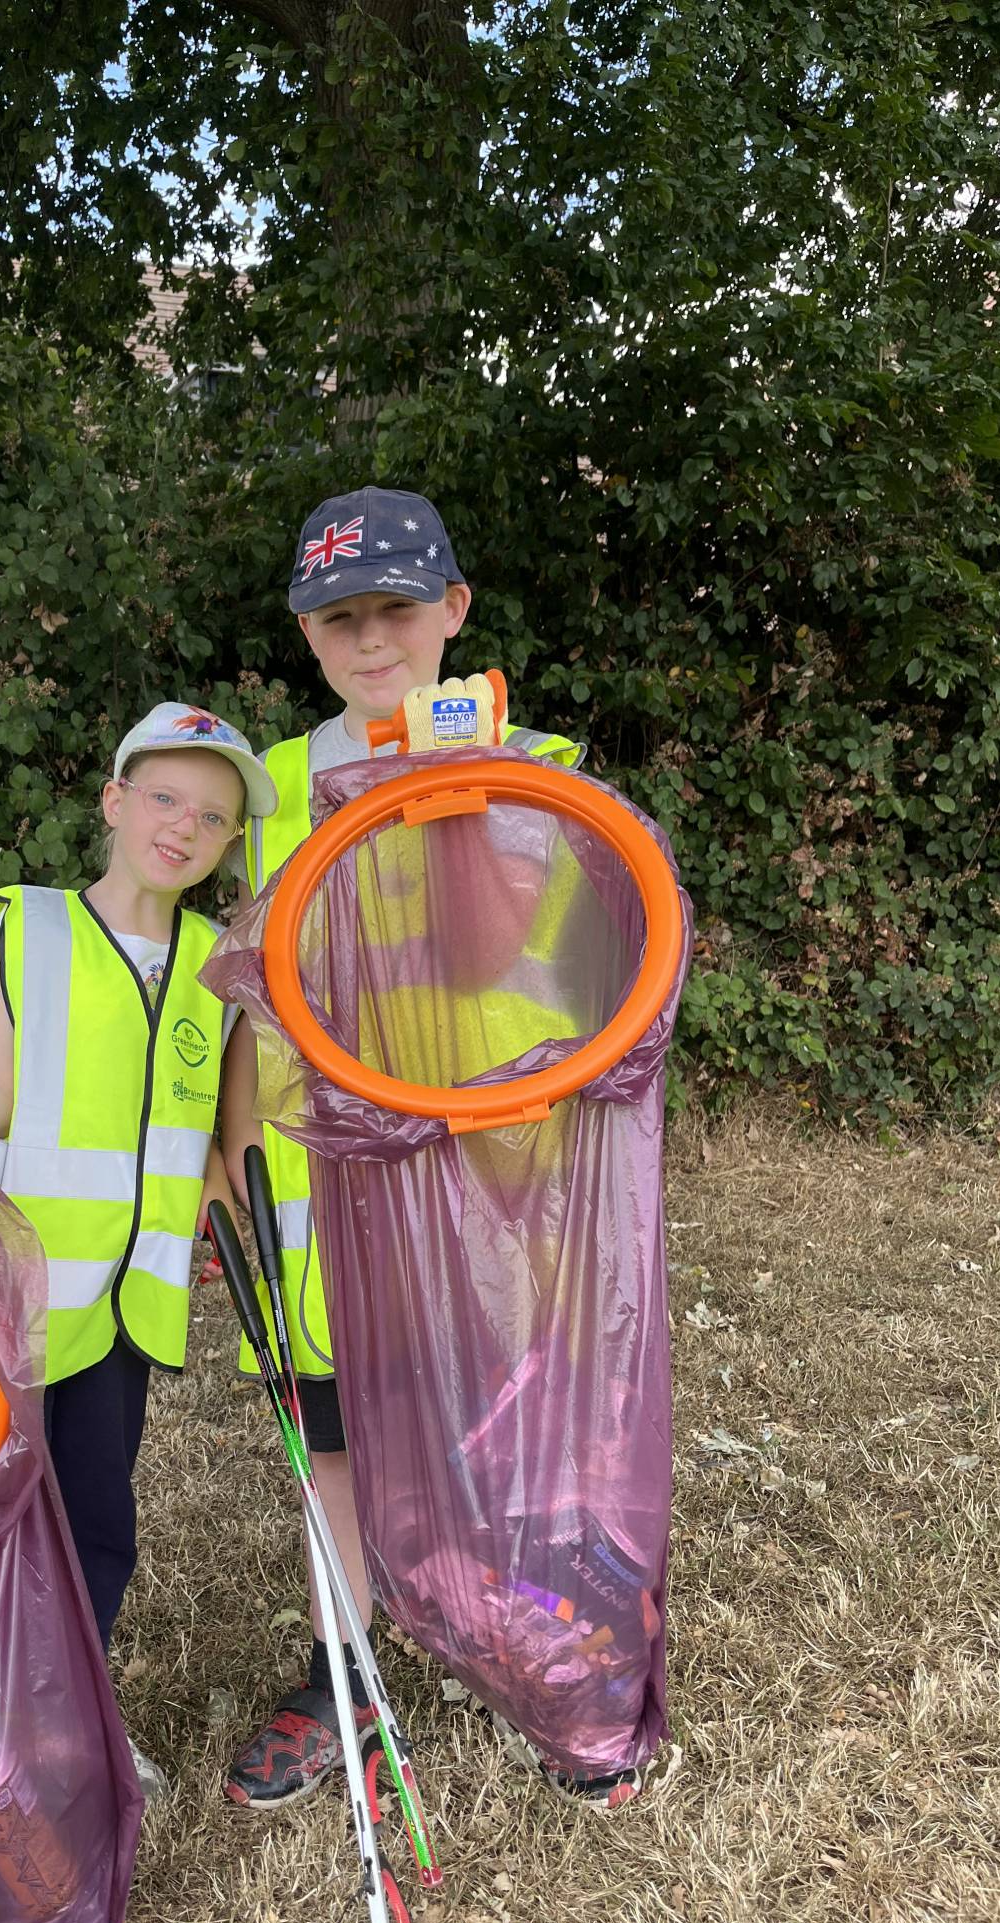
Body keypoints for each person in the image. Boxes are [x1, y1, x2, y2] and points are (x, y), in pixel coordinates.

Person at [219, 486, 621, 1808]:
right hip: (324, 1179)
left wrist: (457, 803)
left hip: (497, 1176)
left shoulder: (542, 765)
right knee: (329, 1436)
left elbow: (574, 977)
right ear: (306, 631)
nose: (370, 636)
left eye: (397, 607)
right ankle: (345, 1664)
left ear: (452, 610)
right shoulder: (268, 785)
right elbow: (234, 979)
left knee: (507, 1428)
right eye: (341, 616)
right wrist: (229, 1134)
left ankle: (536, 1662)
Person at [0, 703, 276, 1797]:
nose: (183, 827)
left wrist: (231, 1214)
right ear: (113, 802)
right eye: (164, 798)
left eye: (214, 816)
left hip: (128, 1304)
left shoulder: (216, 965)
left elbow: (216, 1141)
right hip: (12, 1290)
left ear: (232, 842)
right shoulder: (30, 927)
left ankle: (67, 1719)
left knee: (98, 1516)